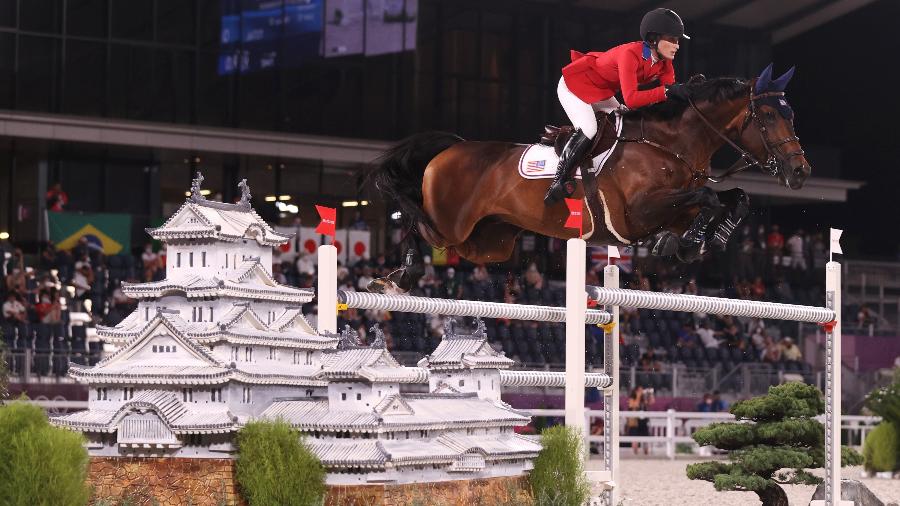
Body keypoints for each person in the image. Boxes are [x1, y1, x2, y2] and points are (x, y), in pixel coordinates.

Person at [545, 8, 691, 204]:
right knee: (589, 129)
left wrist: (691, 93)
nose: (677, 46)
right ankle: (559, 180)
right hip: (575, 84)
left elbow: (671, 92)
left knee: (622, 123)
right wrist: (666, 92)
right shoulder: (630, 54)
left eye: (678, 40)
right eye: (672, 40)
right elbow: (631, 99)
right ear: (654, 39)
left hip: (601, 90)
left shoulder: (665, 63)